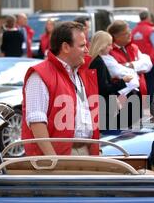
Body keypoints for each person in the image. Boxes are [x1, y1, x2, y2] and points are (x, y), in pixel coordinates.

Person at [21, 21, 100, 156]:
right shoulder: (40, 75)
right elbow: (36, 121)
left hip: (84, 151)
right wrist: (53, 159)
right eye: (82, 45)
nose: (87, 50)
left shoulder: (81, 73)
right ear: (65, 47)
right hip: (58, 157)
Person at [89, 31, 139, 131]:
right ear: (101, 45)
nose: (111, 47)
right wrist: (123, 81)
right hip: (104, 107)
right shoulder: (98, 62)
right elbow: (104, 88)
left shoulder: (92, 60)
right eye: (108, 45)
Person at [108, 20, 153, 126]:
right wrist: (137, 66)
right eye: (126, 33)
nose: (130, 35)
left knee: (144, 128)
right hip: (124, 97)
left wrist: (129, 65)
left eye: (130, 31)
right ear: (116, 36)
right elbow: (117, 72)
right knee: (125, 129)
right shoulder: (110, 51)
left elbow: (148, 64)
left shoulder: (133, 47)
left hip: (142, 93)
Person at [131, 11, 154, 99]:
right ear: (148, 18)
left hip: (138, 63)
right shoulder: (150, 30)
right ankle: (153, 105)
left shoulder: (134, 31)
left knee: (142, 84)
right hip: (151, 61)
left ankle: (144, 104)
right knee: (152, 83)